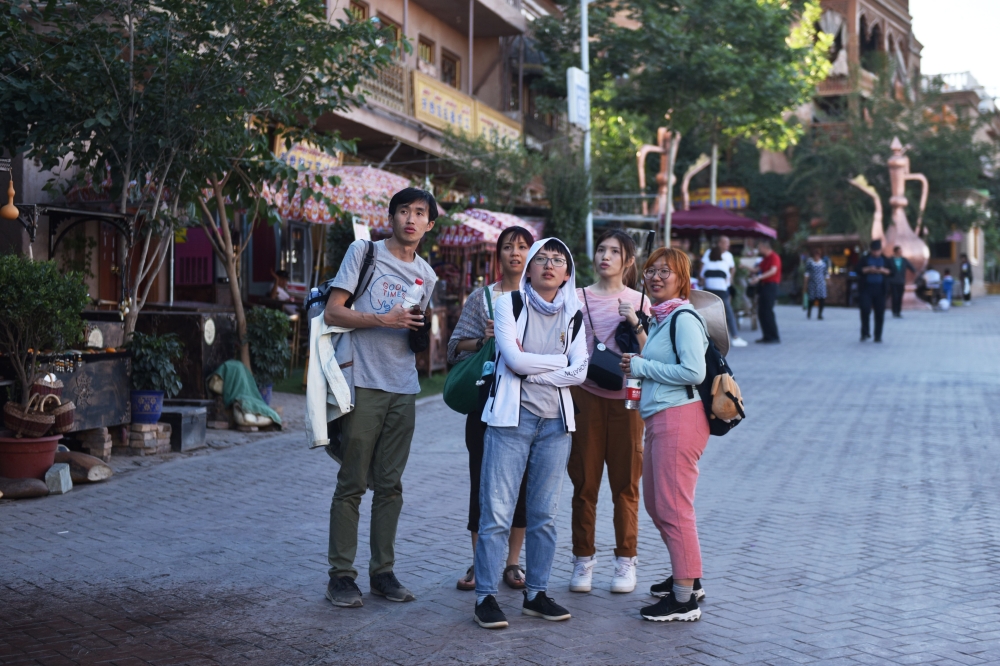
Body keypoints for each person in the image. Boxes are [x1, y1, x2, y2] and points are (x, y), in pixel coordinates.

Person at [322, 188, 439, 608]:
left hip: (403, 387)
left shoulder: (427, 275)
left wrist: (417, 333)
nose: (410, 218)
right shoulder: (364, 252)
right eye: (403, 210)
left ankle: (383, 573)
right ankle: (341, 576)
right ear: (391, 217)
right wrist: (381, 318)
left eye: (420, 212)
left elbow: (412, 335)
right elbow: (334, 311)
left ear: (430, 224)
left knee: (390, 486)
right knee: (352, 481)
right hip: (363, 382)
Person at [473, 237, 588, 630]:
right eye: (542, 258)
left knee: (544, 516)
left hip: (556, 425)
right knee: (497, 515)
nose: (549, 265)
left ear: (568, 273)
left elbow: (582, 372)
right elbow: (515, 360)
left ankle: (536, 594)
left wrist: (541, 365)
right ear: (530, 267)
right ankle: (486, 596)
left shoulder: (573, 313)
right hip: (511, 421)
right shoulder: (510, 303)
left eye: (558, 260)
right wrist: (559, 364)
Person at [619, 248, 709, 623]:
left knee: (674, 507)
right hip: (660, 417)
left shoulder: (683, 317)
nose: (656, 277)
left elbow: (694, 372)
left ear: (681, 279)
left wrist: (642, 364)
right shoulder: (660, 318)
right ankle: (687, 574)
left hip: (679, 418)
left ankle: (685, 599)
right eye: (651, 271)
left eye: (665, 272)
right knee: (658, 504)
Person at [448, 226, 535, 593]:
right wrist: (483, 338)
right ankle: (479, 559)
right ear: (497, 254)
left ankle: (513, 563)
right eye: (508, 247)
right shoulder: (482, 298)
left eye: (522, 246)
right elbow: (454, 347)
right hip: (486, 403)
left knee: (523, 484)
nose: (515, 253)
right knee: (481, 482)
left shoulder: (545, 297)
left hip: (530, 403)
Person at [569, 229, 650, 596]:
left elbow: (653, 353)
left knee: (626, 484)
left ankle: (625, 560)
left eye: (614, 251)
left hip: (627, 400)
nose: (605, 256)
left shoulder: (640, 300)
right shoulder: (576, 297)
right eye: (601, 249)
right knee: (584, 483)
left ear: (628, 261)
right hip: (584, 395)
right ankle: (583, 559)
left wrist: (634, 320)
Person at [700, 241, 747, 347]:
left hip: (709, 291)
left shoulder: (706, 265)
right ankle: (735, 336)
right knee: (729, 313)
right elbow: (727, 279)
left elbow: (702, 277)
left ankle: (705, 337)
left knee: (707, 314)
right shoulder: (723, 265)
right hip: (721, 291)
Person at [856, 239, 894, 343]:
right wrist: (868, 269)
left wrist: (882, 270)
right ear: (871, 250)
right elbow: (858, 270)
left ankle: (878, 335)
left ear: (881, 250)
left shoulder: (886, 260)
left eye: (878, 250)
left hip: (880, 289)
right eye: (874, 251)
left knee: (879, 313)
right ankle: (865, 333)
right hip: (866, 289)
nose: (876, 253)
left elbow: (892, 272)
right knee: (865, 310)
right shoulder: (865, 259)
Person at [750, 239, 781, 344]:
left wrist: (759, 277)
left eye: (759, 248)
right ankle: (767, 335)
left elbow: (773, 271)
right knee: (762, 311)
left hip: (770, 286)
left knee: (768, 311)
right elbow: (756, 269)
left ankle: (773, 336)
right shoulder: (765, 259)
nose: (758, 249)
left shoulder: (774, 257)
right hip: (763, 286)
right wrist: (744, 265)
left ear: (764, 247)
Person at [888, 246, 915, 318]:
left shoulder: (904, 260)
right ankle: (894, 311)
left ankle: (898, 311)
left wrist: (915, 271)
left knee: (900, 297)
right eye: (899, 251)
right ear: (895, 251)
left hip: (901, 281)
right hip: (893, 281)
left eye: (901, 251)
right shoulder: (890, 260)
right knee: (894, 297)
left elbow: (911, 267)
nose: (900, 253)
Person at [803, 249, 828, 320]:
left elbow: (826, 274)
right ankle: (809, 311)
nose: (817, 257)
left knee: (822, 299)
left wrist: (828, 282)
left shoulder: (823, 264)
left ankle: (820, 314)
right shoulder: (810, 263)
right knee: (811, 299)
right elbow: (807, 274)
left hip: (821, 284)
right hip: (812, 283)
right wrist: (805, 283)